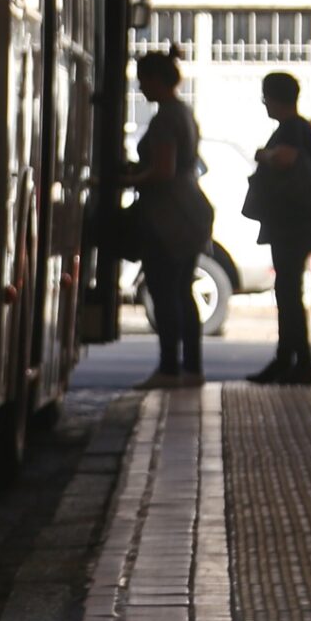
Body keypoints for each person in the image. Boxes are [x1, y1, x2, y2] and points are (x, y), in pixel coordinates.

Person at [127, 51, 211, 387]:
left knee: (164, 292)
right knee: (182, 290)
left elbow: (163, 170)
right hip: (189, 212)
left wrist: (126, 180)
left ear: (156, 80)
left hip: (168, 217)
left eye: (143, 79)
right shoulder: (183, 112)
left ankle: (169, 368)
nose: (139, 86)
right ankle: (191, 367)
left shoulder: (165, 120)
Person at [246, 71, 311, 386]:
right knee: (287, 291)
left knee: (289, 293)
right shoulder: (300, 128)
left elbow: (285, 159)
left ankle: (299, 361)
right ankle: (290, 359)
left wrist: (262, 155)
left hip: (292, 223)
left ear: (273, 98)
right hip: (295, 223)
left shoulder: (293, 129)